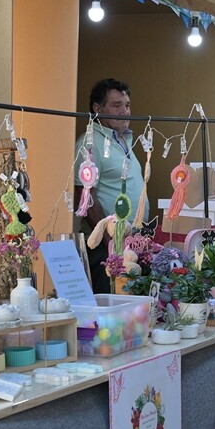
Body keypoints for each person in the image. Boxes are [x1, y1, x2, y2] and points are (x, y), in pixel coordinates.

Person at [77, 78, 145, 293]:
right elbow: (85, 195)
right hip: (106, 248)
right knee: (110, 309)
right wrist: (110, 243)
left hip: (131, 244)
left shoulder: (123, 139)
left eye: (127, 105)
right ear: (97, 109)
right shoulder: (90, 142)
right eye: (117, 105)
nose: (125, 111)